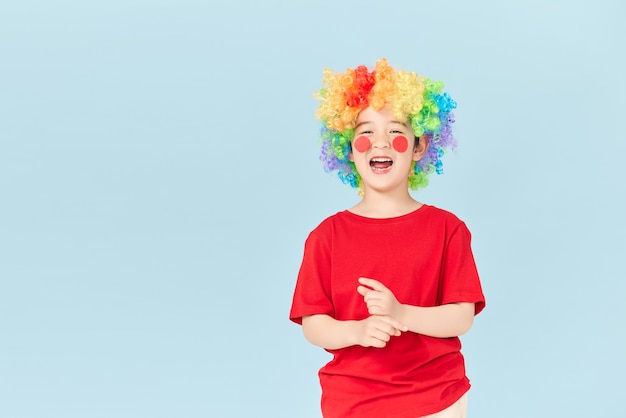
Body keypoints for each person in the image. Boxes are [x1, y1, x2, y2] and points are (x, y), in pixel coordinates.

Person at [289, 58, 486, 418]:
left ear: (419, 147)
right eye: (365, 133)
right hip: (353, 403)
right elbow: (314, 325)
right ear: (347, 149)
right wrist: (358, 331)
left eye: (395, 131)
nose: (380, 143)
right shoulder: (325, 237)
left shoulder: (448, 229)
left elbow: (462, 318)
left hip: (436, 399)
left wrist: (401, 313)